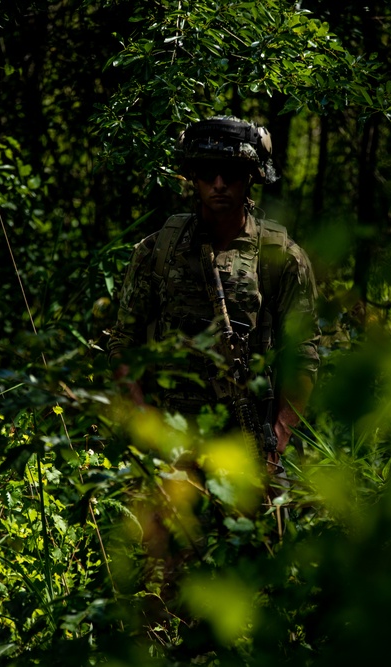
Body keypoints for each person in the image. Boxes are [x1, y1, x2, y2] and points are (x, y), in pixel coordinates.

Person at [108, 116, 320, 473]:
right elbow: (123, 343)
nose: (219, 184)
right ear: (193, 177)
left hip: (247, 445)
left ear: (251, 177)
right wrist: (144, 423)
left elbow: (303, 355)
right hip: (169, 447)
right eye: (208, 173)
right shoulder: (158, 249)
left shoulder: (280, 257)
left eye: (232, 173)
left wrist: (278, 437)